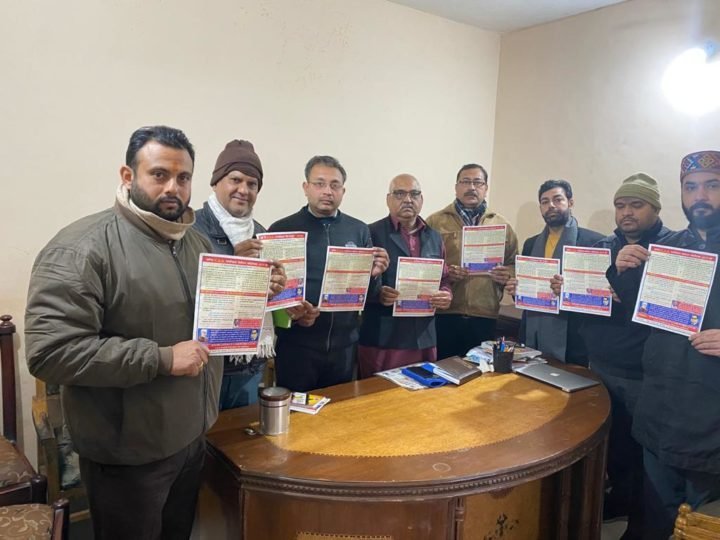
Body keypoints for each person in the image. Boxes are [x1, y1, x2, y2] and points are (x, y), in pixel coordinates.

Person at [25, 126, 216, 540]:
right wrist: (161, 358)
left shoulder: (197, 244)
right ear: (128, 176)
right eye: (159, 174)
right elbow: (50, 352)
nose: (173, 187)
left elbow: (210, 323)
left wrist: (257, 295)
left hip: (191, 439)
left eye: (183, 177)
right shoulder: (81, 247)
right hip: (127, 455)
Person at [551, 173, 672, 539]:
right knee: (614, 446)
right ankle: (619, 499)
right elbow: (585, 308)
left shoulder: (670, 250)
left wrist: (624, 285)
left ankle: (642, 522)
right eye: (621, 206)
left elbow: (666, 311)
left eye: (636, 205)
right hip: (601, 364)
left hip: (643, 371)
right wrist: (566, 291)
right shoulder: (602, 247)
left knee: (644, 454)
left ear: (655, 208)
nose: (626, 213)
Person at [608, 151, 720, 539]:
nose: (700, 195)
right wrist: (622, 270)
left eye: (712, 185)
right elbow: (638, 314)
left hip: (710, 421)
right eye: (691, 187)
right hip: (659, 409)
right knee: (655, 517)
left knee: (698, 525)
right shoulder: (669, 247)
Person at [268, 155, 389, 392]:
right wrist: (291, 311)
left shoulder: (358, 230)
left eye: (335, 185)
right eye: (319, 184)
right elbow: (269, 294)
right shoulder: (281, 229)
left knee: (339, 410)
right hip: (297, 347)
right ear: (306, 187)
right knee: (296, 411)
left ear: (343, 191)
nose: (327, 191)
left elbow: (371, 296)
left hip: (345, 347)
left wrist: (374, 275)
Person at [194, 139, 285, 410]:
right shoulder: (191, 229)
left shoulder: (261, 232)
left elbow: (263, 300)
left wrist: (277, 291)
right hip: (205, 365)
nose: (243, 190)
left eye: (252, 184)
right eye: (235, 180)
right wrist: (236, 266)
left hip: (251, 363)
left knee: (243, 433)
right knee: (203, 434)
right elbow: (180, 294)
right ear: (216, 182)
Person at [357, 174, 453, 377]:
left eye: (414, 194)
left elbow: (444, 278)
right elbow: (354, 282)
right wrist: (378, 293)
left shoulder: (435, 237)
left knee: (423, 391)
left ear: (421, 199)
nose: (408, 200)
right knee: (378, 393)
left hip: (424, 336)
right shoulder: (370, 233)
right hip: (383, 336)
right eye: (400, 194)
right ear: (388, 199)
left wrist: (446, 294)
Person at [505, 179, 603, 364]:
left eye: (558, 199)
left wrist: (570, 290)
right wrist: (516, 289)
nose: (551, 205)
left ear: (570, 202)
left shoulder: (593, 243)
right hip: (532, 329)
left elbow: (600, 297)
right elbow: (525, 293)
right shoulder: (531, 244)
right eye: (545, 202)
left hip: (573, 336)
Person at [426, 164, 518, 359]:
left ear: (486, 188)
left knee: (480, 373)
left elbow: (514, 263)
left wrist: (507, 274)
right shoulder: (435, 222)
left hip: (484, 314)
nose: (471, 187)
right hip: (445, 313)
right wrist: (447, 272)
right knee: (444, 370)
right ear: (456, 187)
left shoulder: (502, 224)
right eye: (465, 182)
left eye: (478, 182)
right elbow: (424, 264)